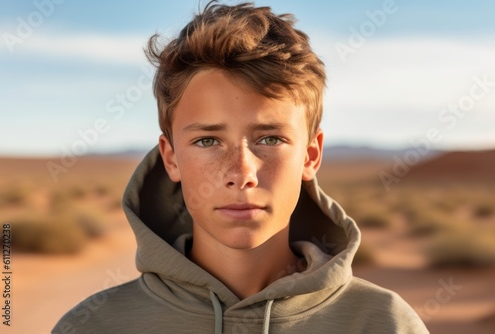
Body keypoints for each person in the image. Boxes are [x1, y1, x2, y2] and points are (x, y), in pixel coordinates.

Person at [53, 1, 428, 333]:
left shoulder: (384, 322)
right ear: (170, 158)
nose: (241, 172)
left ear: (311, 156)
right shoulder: (97, 324)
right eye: (207, 141)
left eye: (270, 139)